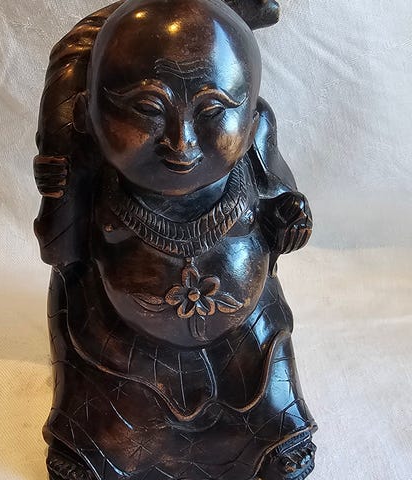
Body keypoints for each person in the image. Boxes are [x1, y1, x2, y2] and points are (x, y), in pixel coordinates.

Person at [34, 1, 316, 479]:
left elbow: (281, 205)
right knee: (105, 423)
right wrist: (62, 179)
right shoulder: (93, 165)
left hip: (246, 340)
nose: (181, 142)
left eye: (213, 110)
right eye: (148, 109)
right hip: (120, 349)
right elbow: (60, 253)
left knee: (270, 397)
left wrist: (289, 219)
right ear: (92, 116)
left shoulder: (255, 148)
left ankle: (274, 439)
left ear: (253, 120)